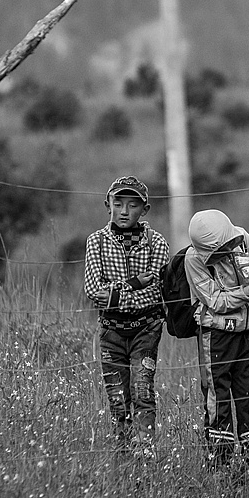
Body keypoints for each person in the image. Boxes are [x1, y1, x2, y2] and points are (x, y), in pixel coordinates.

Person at [184, 208, 249, 463]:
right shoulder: (194, 259)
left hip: (245, 331)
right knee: (218, 396)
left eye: (227, 247)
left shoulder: (241, 237)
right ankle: (220, 461)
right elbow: (215, 301)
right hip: (216, 335)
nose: (226, 252)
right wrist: (248, 291)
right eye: (219, 252)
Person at [83, 176, 169, 451]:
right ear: (107, 205)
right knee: (117, 396)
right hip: (111, 330)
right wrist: (134, 284)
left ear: (144, 210)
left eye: (133, 205)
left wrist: (114, 295)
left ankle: (144, 450)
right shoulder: (97, 241)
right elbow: (93, 290)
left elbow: (156, 290)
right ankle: (122, 450)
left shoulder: (156, 242)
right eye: (118, 203)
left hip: (146, 327)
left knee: (142, 389)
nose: (124, 211)